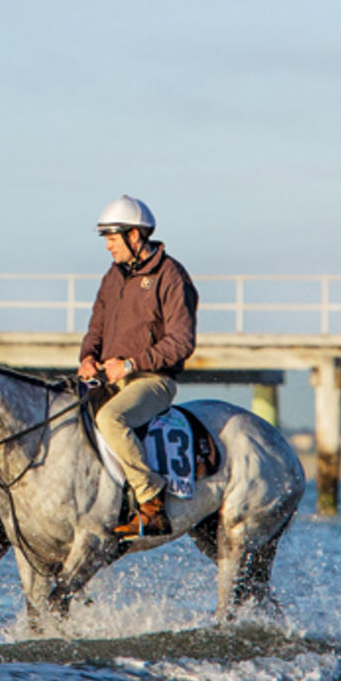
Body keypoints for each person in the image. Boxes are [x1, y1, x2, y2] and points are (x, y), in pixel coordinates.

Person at [77, 195, 198, 538]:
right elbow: (96, 328)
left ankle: (151, 502)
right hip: (108, 378)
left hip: (152, 380)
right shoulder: (112, 277)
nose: (108, 247)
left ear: (134, 237)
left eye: (112, 240)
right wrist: (87, 356)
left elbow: (181, 342)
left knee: (110, 419)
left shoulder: (171, 276)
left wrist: (130, 364)